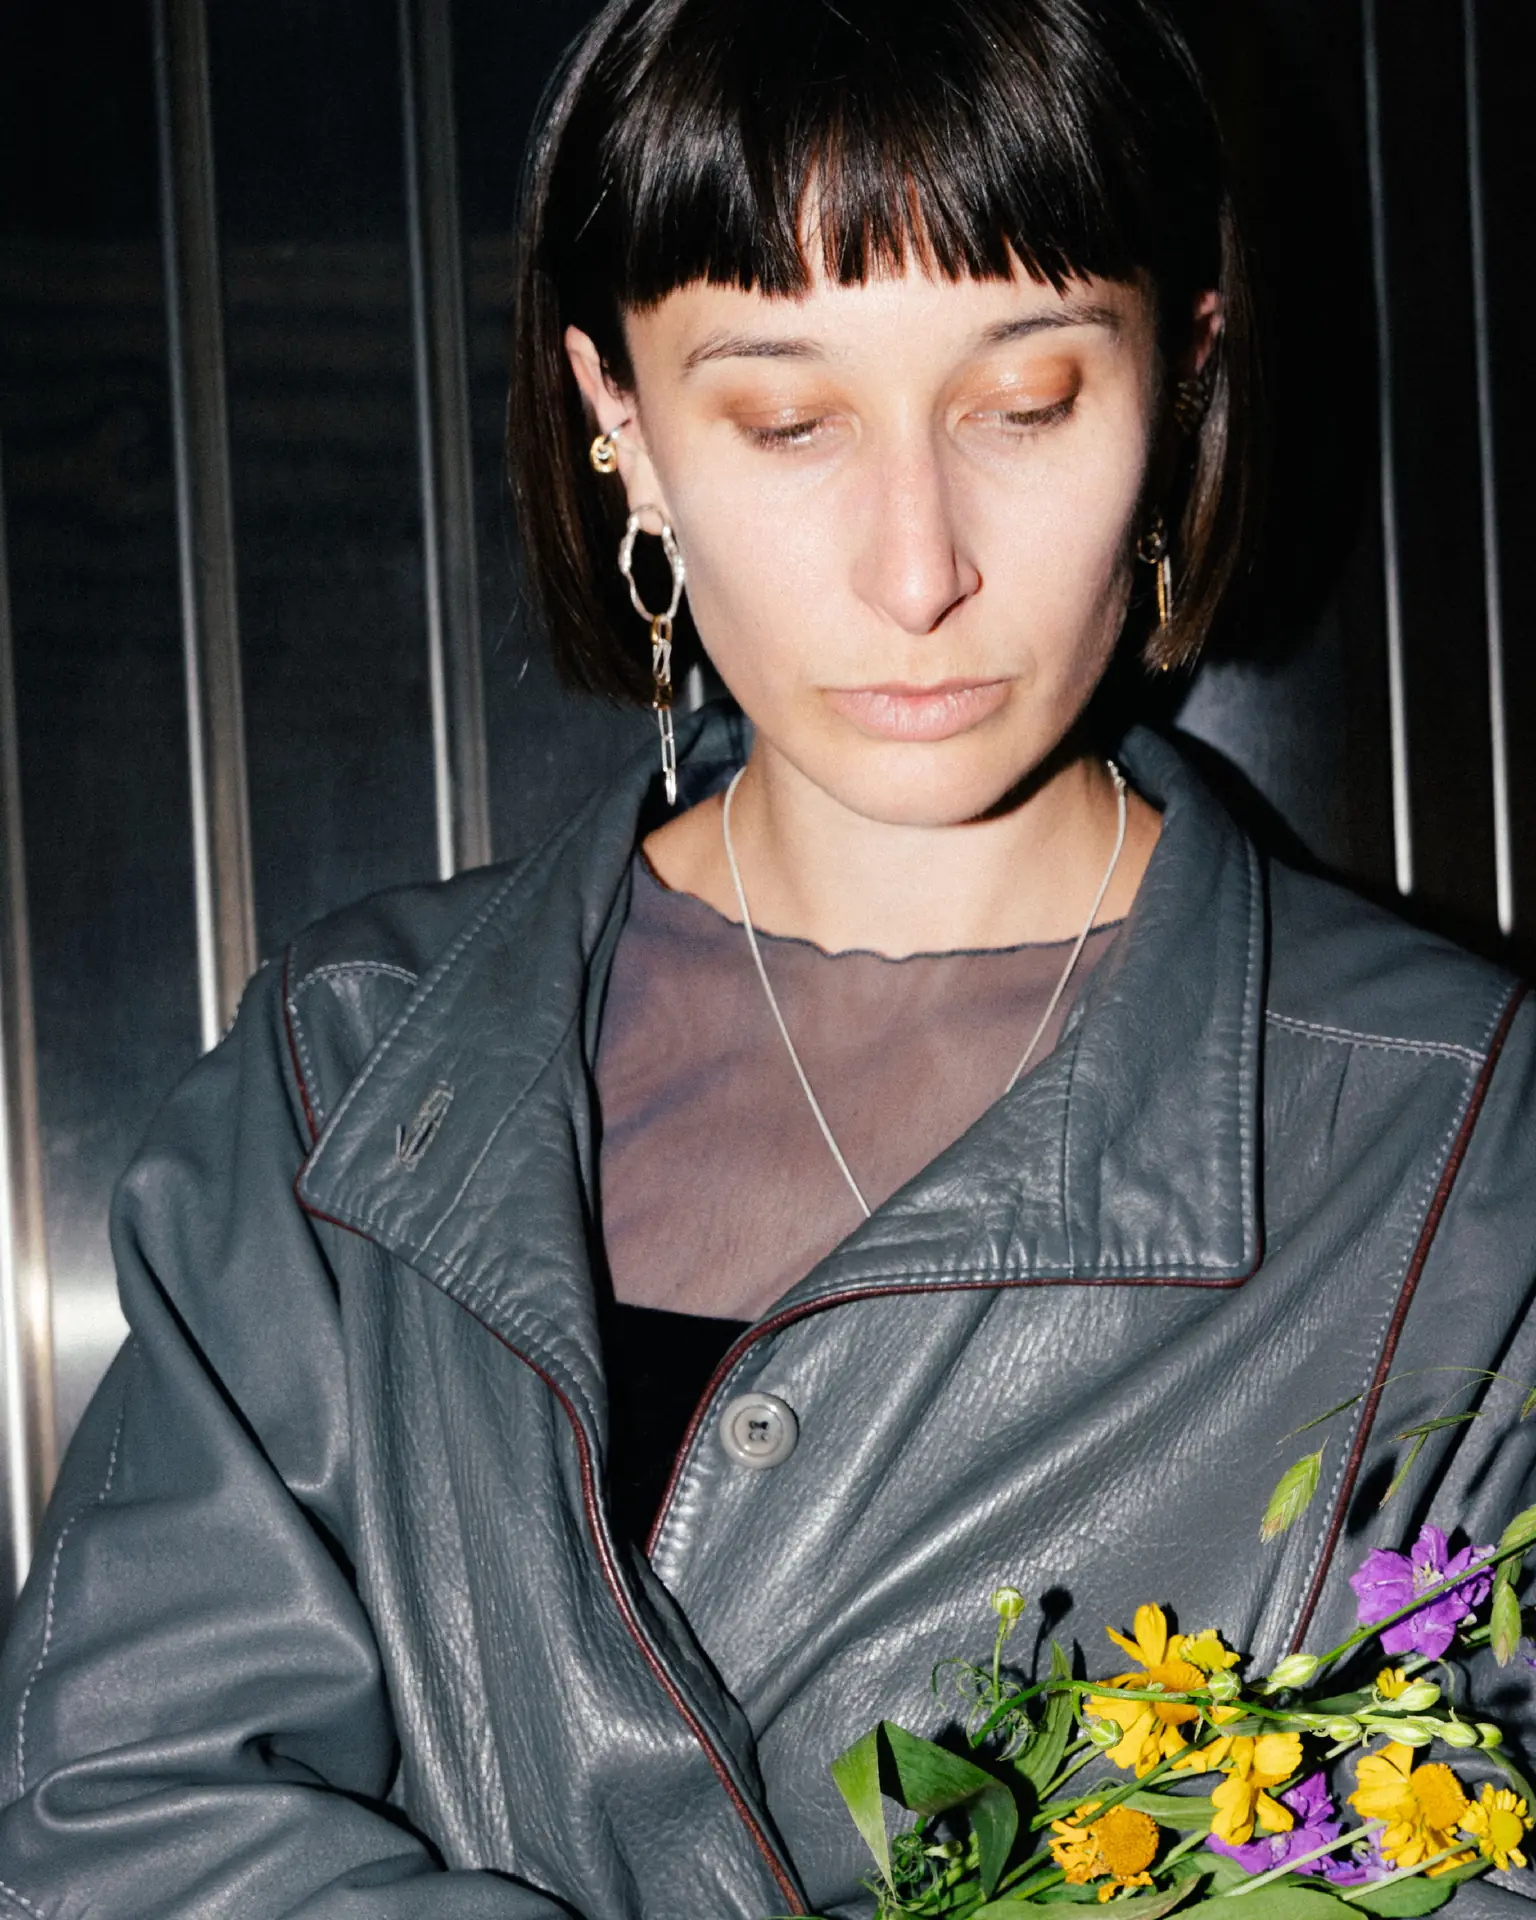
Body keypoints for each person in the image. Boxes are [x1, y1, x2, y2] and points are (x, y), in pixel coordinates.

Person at [1, 0, 1533, 1914]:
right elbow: (126, 1817)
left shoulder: (1459, 1148)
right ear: (621, 423)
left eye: (1027, 402)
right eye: (790, 422)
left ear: (1181, 380)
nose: (918, 567)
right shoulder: (343, 1079)